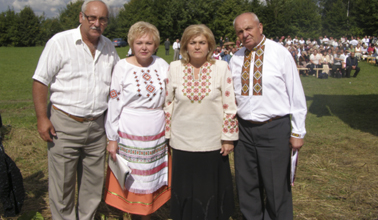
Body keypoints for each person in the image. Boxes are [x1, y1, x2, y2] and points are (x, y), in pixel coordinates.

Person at [32, 0, 120, 219]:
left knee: (92, 184)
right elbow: (41, 81)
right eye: (92, 17)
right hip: (64, 124)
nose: (96, 23)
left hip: (97, 126)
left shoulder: (109, 47)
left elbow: (120, 81)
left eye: (102, 19)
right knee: (62, 184)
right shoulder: (60, 42)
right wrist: (42, 118)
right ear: (81, 17)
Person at [229, 12, 307, 220]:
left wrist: (298, 131)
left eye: (248, 29)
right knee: (247, 184)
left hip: (274, 128)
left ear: (260, 27)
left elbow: (296, 94)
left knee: (276, 187)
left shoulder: (279, 53)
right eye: (240, 31)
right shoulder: (235, 59)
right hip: (244, 131)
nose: (244, 35)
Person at [165, 24, 238, 220]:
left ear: (210, 45)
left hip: (212, 142)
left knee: (209, 191)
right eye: (193, 42)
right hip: (182, 141)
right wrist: (167, 137)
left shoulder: (221, 67)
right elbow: (168, 104)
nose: (197, 47)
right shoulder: (174, 68)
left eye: (202, 42)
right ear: (185, 46)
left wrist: (228, 138)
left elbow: (229, 104)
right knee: (185, 189)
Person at [104, 22, 170, 219]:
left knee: (150, 179)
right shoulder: (122, 67)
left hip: (156, 132)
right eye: (139, 42)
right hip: (129, 130)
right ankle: (132, 214)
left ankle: (146, 214)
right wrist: (112, 138)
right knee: (131, 179)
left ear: (156, 45)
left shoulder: (162, 65)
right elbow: (114, 103)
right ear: (131, 44)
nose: (144, 47)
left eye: (149, 43)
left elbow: (170, 99)